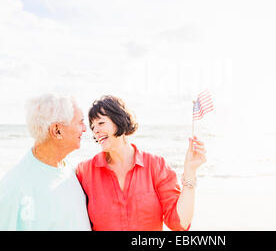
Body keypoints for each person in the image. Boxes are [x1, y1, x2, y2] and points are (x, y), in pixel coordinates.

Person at [76, 95, 207, 231]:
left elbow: (179, 224)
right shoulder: (84, 172)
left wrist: (190, 171)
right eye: (92, 126)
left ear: (119, 120)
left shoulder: (156, 166)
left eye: (101, 123)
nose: (95, 130)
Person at [0, 93, 91, 231]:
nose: (85, 128)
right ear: (57, 130)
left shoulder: (71, 171)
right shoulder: (14, 187)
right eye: (80, 122)